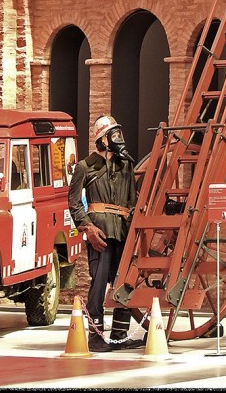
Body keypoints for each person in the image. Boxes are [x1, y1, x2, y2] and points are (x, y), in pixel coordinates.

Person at [68, 115, 145, 352]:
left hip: (122, 231)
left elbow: (132, 201)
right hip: (100, 233)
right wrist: (87, 227)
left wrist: (134, 231)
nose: (118, 138)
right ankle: (96, 337)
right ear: (102, 139)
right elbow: (74, 203)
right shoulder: (85, 167)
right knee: (99, 284)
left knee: (123, 282)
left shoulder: (126, 166)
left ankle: (120, 335)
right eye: (113, 134)